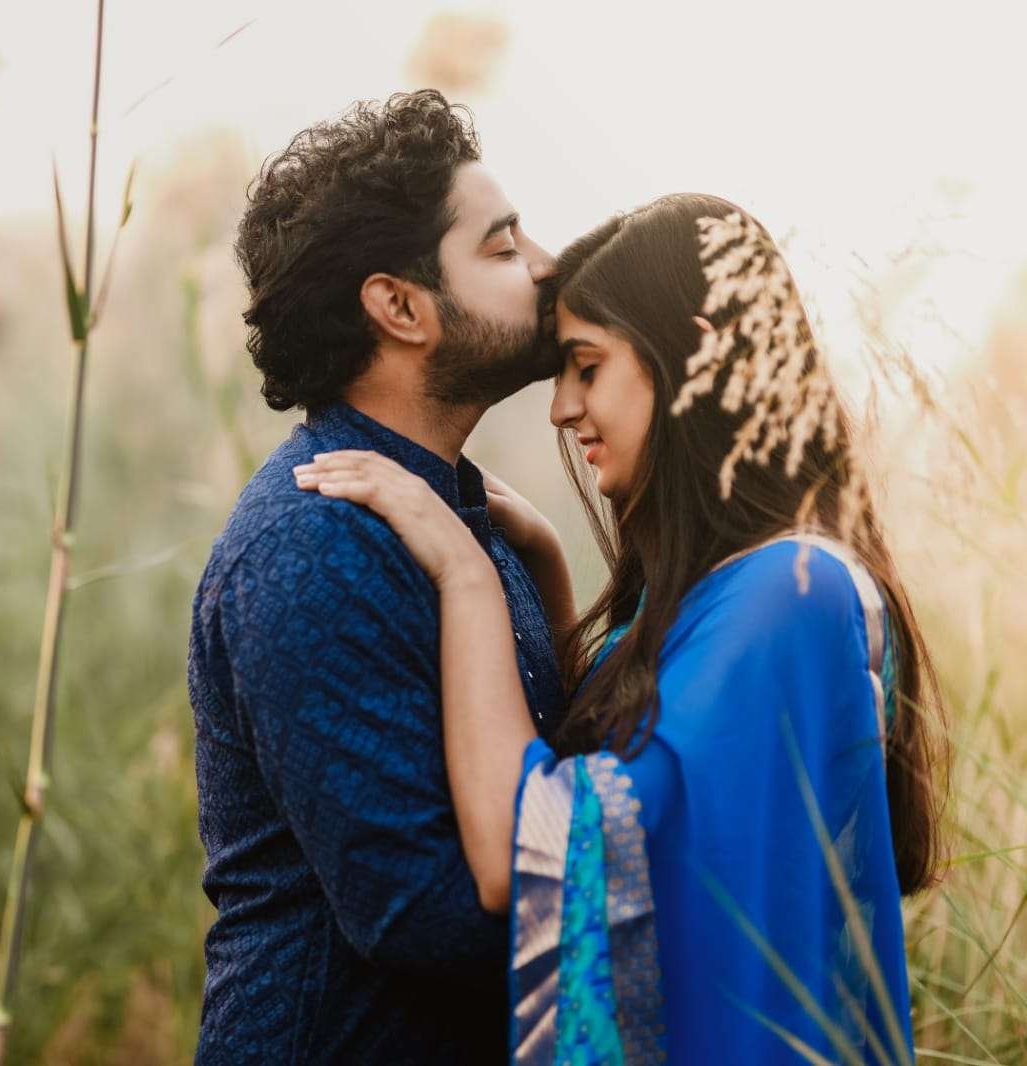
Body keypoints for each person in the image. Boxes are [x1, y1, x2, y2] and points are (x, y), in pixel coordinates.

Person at [295, 193, 947, 1063]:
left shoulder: (793, 599)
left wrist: (465, 574)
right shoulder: (732, 590)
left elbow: (537, 850)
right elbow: (639, 766)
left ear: (692, 360)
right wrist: (545, 566)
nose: (562, 408)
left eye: (586, 366)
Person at [186, 90, 568, 1062]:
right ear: (399, 307)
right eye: (502, 247)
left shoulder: (452, 516)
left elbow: (540, 763)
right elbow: (424, 914)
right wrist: (673, 898)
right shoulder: (315, 545)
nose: (546, 265)